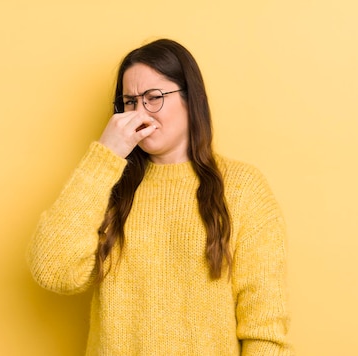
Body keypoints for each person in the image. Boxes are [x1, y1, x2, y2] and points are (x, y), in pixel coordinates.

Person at [28, 38, 293, 355]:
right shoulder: (106, 183)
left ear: (190, 99)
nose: (141, 113)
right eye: (129, 102)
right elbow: (54, 271)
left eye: (153, 98)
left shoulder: (242, 187)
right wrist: (105, 156)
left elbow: (264, 328)